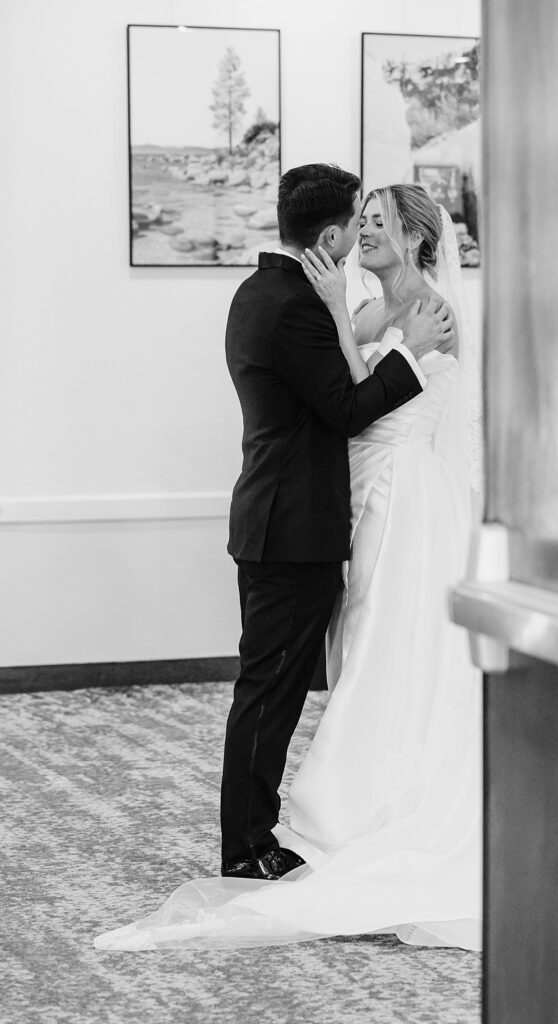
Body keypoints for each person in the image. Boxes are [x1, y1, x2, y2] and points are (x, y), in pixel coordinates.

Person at [94, 182, 481, 952]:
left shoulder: (432, 313)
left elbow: (369, 400)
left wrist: (355, 321)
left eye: (379, 222)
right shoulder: (340, 308)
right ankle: (261, 836)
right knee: (342, 658)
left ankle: (358, 803)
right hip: (339, 506)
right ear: (330, 234)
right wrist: (345, 313)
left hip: (400, 501)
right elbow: (351, 398)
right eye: (359, 220)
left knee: (385, 650)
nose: (364, 232)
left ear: (415, 237)